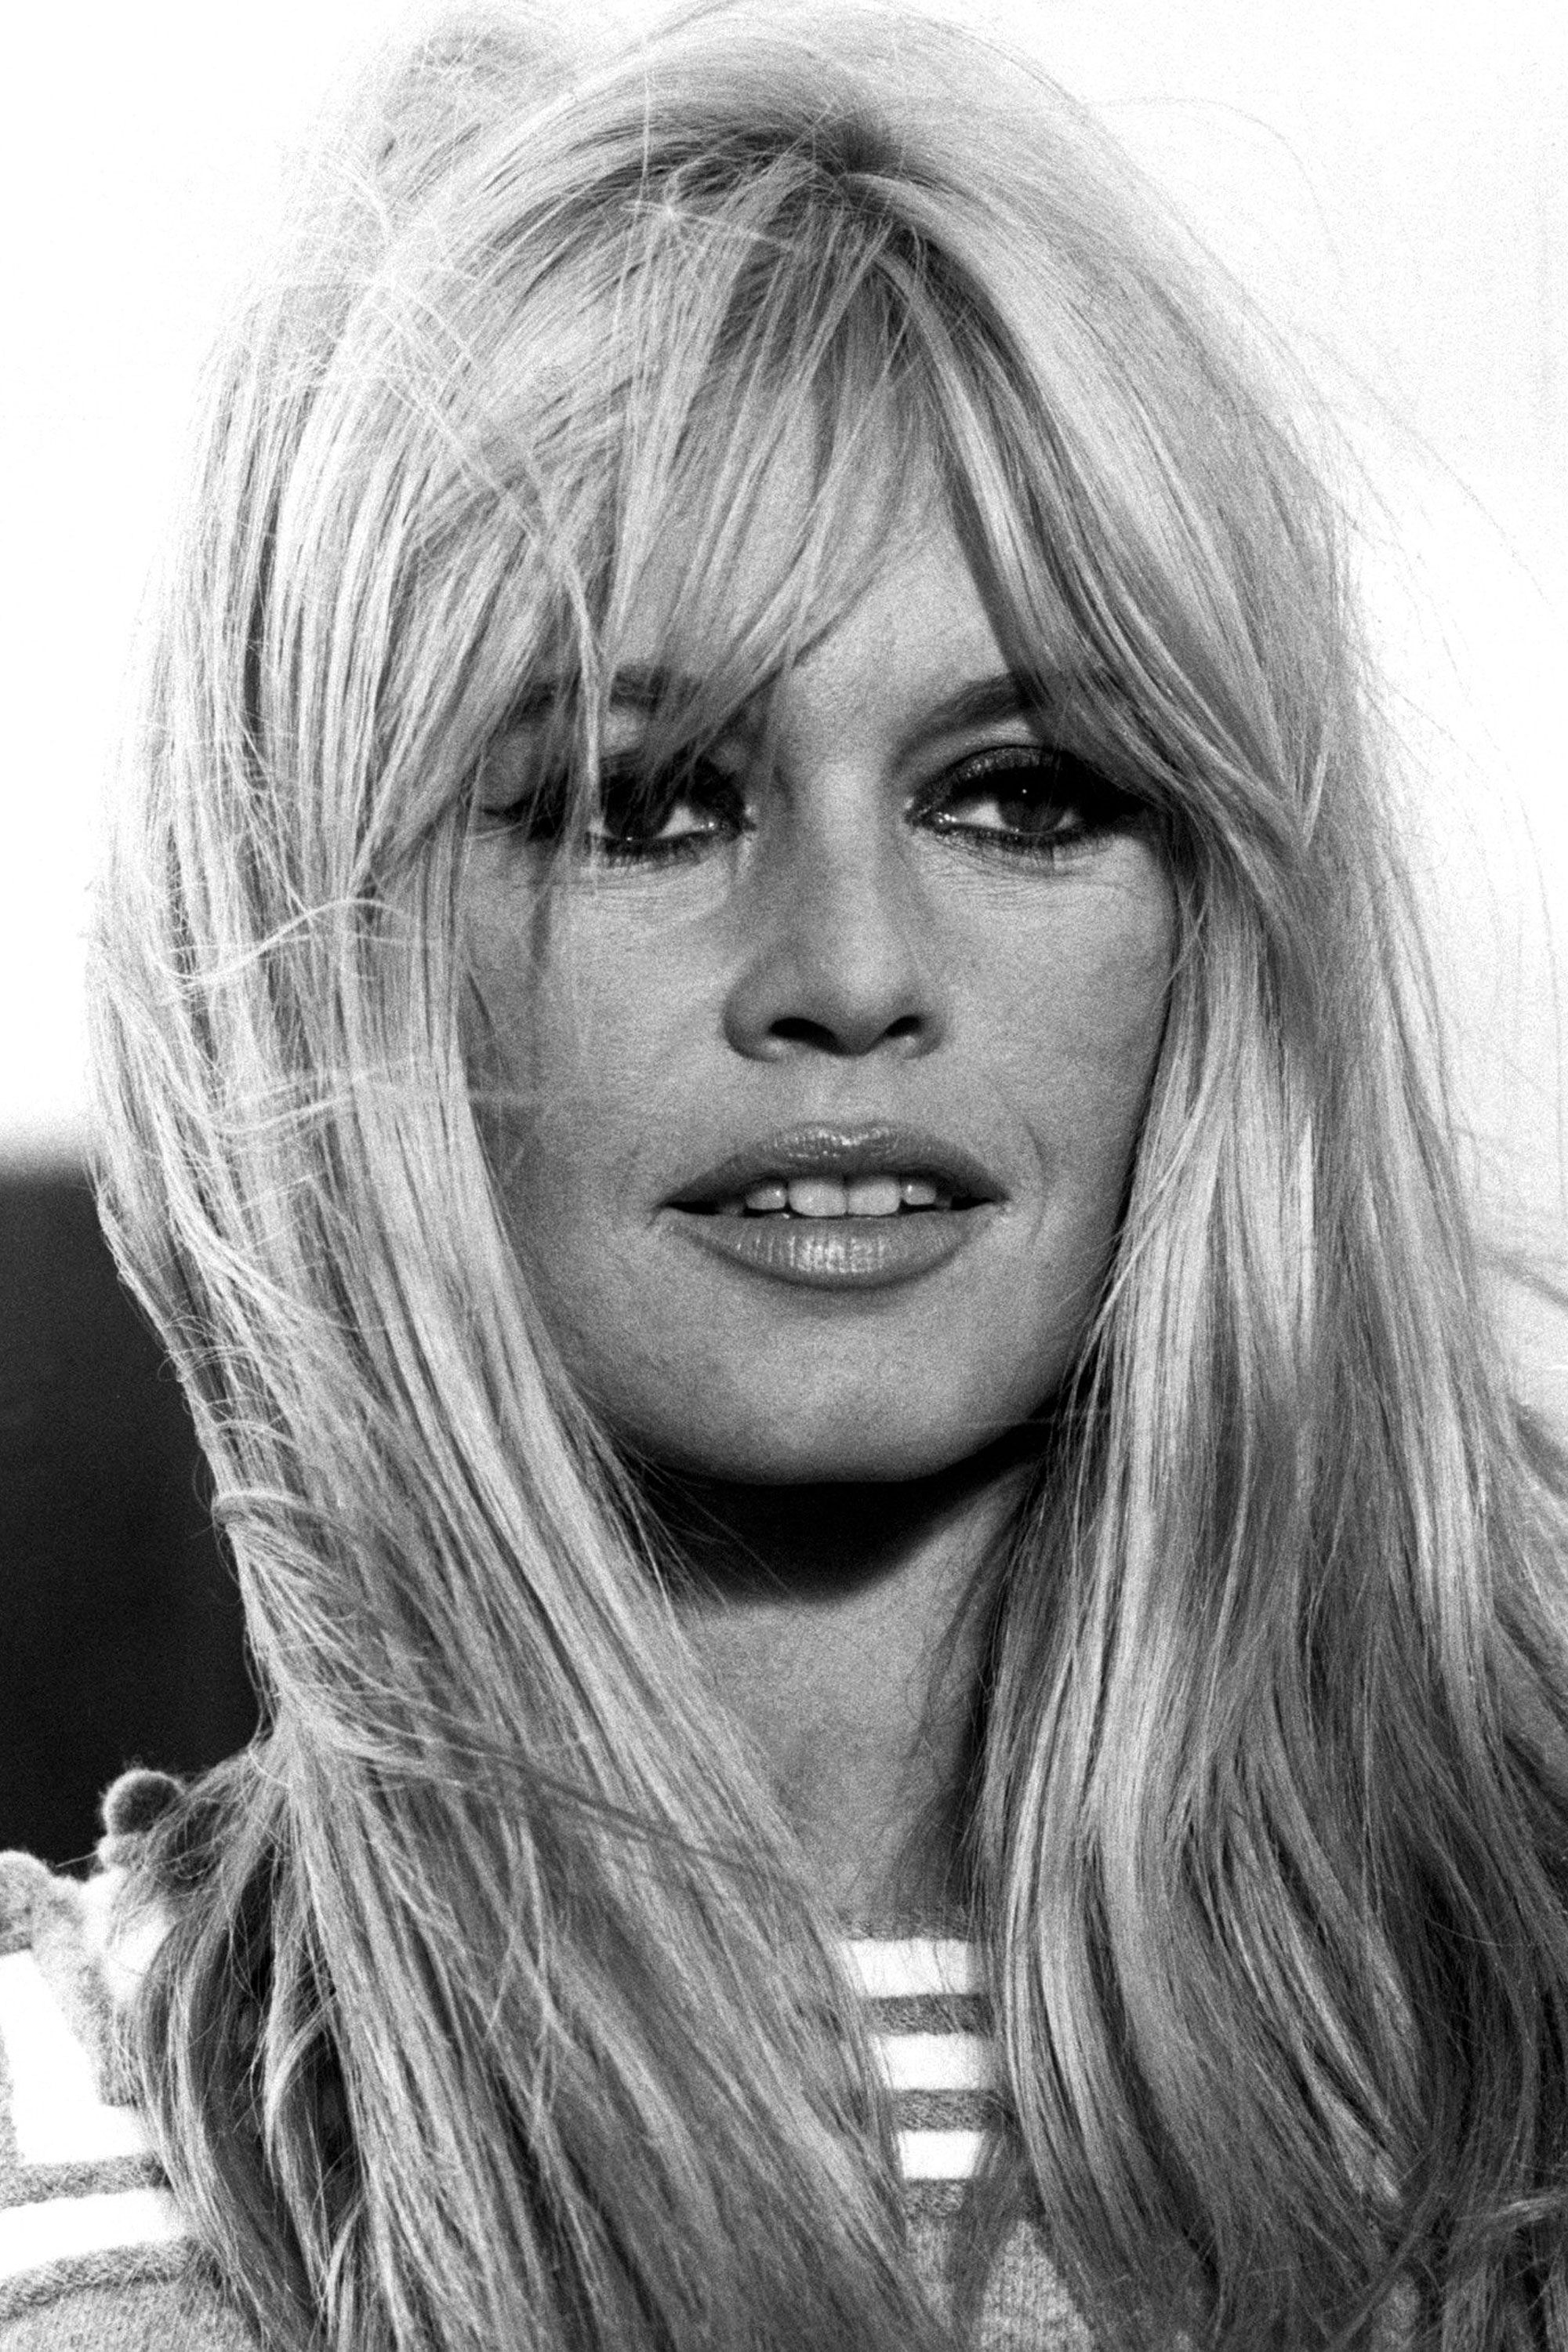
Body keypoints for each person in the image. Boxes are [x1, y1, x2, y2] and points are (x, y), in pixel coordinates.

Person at [3, 2, 1566, 2345]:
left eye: (1020, 794)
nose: (849, 971)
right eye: (646, 803)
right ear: (333, 951)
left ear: (1216, 926)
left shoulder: (1517, 2091)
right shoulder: (60, 2143)